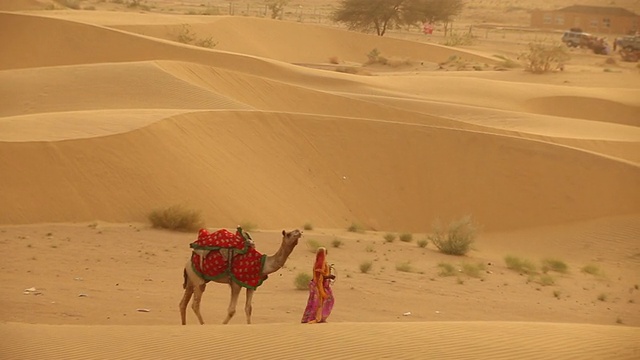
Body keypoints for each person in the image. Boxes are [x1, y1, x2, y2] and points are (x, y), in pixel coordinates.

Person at [301, 247, 335, 323]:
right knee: (318, 301)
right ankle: (316, 318)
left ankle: (318, 318)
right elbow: (319, 276)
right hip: (318, 285)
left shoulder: (322, 262)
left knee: (317, 301)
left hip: (322, 285)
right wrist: (328, 277)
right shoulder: (320, 263)